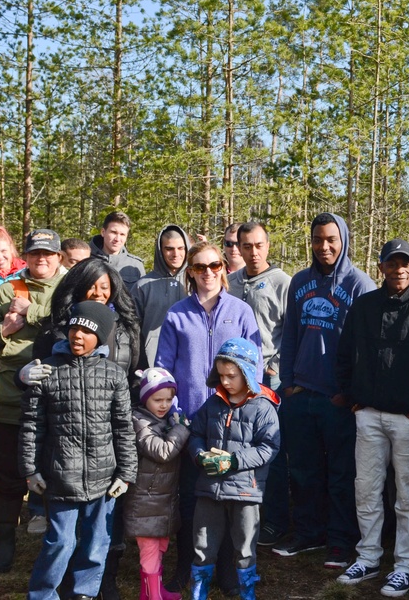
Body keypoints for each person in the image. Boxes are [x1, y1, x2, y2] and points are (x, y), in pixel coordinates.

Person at [334, 239, 409, 597]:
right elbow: (343, 356)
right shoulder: (364, 307)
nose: (398, 269)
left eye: (405, 263)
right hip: (368, 415)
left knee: (407, 494)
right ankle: (368, 557)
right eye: (392, 263)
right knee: (365, 489)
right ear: (381, 267)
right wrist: (353, 399)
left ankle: (405, 566)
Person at [154, 240, 262, 590]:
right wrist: (174, 414)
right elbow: (163, 369)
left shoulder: (242, 311)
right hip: (189, 424)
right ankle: (186, 565)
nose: (208, 273)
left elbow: (254, 365)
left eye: (214, 266)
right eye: (200, 268)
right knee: (191, 498)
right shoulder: (177, 314)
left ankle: (228, 571)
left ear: (223, 269)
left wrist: (242, 406)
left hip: (232, 421)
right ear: (191, 273)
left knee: (230, 496)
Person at [273, 212, 373, 567]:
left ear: (343, 240)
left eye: (331, 239)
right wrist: (288, 385)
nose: (324, 246)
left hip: (339, 400)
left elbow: (367, 347)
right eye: (318, 240)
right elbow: (290, 337)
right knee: (302, 471)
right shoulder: (300, 281)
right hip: (301, 395)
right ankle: (308, 533)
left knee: (343, 475)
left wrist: (350, 393)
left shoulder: (360, 285)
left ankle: (341, 540)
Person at [19, 301, 137, 600]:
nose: (78, 336)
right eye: (73, 328)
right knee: (60, 542)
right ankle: (43, 594)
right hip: (61, 477)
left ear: (100, 336)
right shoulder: (47, 371)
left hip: (104, 480)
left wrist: (126, 472)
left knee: (97, 543)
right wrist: (30, 470)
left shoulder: (114, 375)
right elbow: (32, 425)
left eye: (86, 330)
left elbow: (123, 427)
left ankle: (84, 593)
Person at [0, 228, 66, 573]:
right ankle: (4, 543)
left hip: (57, 401)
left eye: (48, 253)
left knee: (57, 475)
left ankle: (58, 546)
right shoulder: (6, 290)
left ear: (59, 257)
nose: (40, 259)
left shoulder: (69, 291)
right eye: (34, 253)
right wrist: (3, 330)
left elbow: (71, 330)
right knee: (7, 477)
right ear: (25, 256)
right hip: (8, 400)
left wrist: (30, 315)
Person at [188, 337, 280, 600]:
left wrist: (233, 460)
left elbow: (269, 448)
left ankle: (247, 593)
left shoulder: (264, 408)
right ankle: (198, 592)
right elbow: (195, 434)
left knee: (245, 547)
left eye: (231, 376)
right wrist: (199, 456)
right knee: (203, 544)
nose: (225, 382)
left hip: (245, 492)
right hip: (209, 489)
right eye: (221, 375)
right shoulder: (212, 404)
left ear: (248, 374)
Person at [226, 221, 291, 546]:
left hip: (269, 380)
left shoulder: (282, 283)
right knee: (238, 445)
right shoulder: (230, 282)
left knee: (270, 450)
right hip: (234, 379)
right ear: (238, 247)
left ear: (268, 245)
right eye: (246, 246)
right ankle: (239, 515)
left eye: (259, 245)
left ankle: (275, 520)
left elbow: (290, 334)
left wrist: (279, 372)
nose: (253, 252)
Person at [125, 368, 191, 600]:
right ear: (145, 398)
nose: (164, 405)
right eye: (157, 399)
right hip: (146, 502)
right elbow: (163, 452)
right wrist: (181, 428)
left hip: (161, 500)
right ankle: (153, 596)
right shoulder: (140, 422)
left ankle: (153, 591)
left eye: (169, 399)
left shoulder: (160, 421)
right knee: (150, 550)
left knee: (160, 545)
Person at [132, 225, 192, 368]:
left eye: (180, 248)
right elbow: (132, 329)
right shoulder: (143, 285)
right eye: (169, 249)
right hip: (153, 363)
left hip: (190, 360)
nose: (176, 254)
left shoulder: (197, 281)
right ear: (160, 251)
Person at [90, 211, 145, 288]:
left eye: (122, 234)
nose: (117, 239)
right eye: (113, 232)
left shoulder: (135, 265)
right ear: (103, 232)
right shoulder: (86, 260)